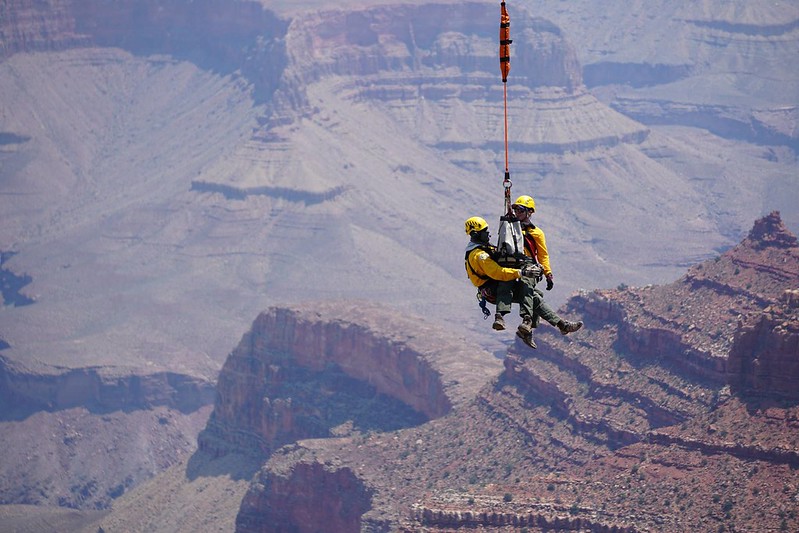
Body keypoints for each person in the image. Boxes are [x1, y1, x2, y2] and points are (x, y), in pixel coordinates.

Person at [465, 216, 575, 349]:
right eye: (484, 231)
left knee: (536, 293)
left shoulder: (483, 249)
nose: (488, 233)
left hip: (496, 286)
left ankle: (535, 328)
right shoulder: (480, 256)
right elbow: (498, 273)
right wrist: (522, 273)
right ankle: (560, 325)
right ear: (476, 234)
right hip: (494, 291)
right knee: (531, 294)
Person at [509, 195, 583, 344]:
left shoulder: (537, 233)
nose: (517, 212)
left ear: (529, 212)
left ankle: (527, 321)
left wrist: (548, 273)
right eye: (515, 209)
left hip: (529, 265)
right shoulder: (509, 228)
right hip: (510, 265)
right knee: (534, 296)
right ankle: (562, 325)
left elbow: (543, 255)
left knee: (526, 284)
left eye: (520, 210)